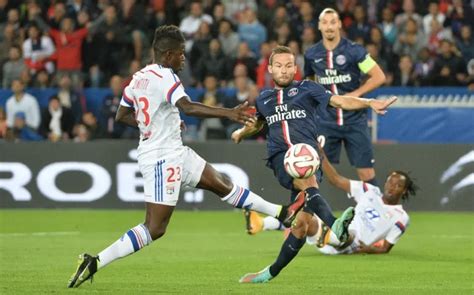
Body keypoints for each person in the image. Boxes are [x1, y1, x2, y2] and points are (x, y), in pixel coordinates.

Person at [67, 25, 304, 289]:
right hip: (160, 158)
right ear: (167, 54)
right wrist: (229, 113)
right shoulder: (166, 76)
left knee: (222, 184)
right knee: (155, 228)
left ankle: (283, 213)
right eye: (180, 54)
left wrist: (156, 124)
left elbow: (122, 116)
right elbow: (188, 107)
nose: (183, 58)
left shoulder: (138, 78)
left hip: (174, 150)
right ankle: (96, 261)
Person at [231, 45, 396, 283]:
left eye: (288, 65)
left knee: (301, 226)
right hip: (282, 157)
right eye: (279, 66)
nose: (284, 70)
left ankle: (269, 273)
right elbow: (258, 123)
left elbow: (339, 101)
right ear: (270, 69)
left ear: (295, 68)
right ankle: (335, 225)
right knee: (306, 179)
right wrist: (241, 133)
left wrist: (369, 102)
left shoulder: (308, 89)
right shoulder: (264, 98)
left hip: (309, 156)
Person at [304, 8, 386, 187]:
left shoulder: (355, 51)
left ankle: (377, 212)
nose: (329, 27)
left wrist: (355, 94)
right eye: (325, 22)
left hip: (355, 120)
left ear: (339, 24)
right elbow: (308, 81)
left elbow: (379, 76)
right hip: (326, 121)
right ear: (319, 26)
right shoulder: (311, 55)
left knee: (366, 172)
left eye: (333, 22)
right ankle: (311, 212)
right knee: (315, 170)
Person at [306, 144, 418, 255]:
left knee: (350, 234)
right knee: (302, 220)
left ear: (404, 191)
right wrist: (321, 155)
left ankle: (335, 233)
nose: (392, 187)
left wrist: (368, 249)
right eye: (390, 182)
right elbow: (336, 180)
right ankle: (326, 232)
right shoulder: (370, 191)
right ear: (385, 183)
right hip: (330, 240)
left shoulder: (401, 217)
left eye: (398, 185)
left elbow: (385, 248)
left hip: (352, 244)